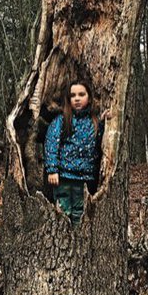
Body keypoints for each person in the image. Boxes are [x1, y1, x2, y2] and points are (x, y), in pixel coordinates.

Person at [45, 80, 105, 225]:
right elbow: (51, 143)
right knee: (63, 211)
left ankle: (77, 242)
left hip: (85, 178)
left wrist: (104, 122)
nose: (77, 98)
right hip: (64, 177)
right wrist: (52, 170)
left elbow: (101, 144)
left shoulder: (94, 122)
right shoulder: (62, 120)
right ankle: (63, 240)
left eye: (81, 94)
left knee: (80, 213)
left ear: (89, 98)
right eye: (73, 95)